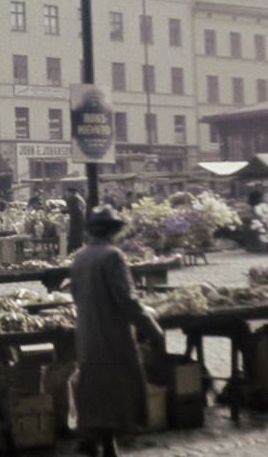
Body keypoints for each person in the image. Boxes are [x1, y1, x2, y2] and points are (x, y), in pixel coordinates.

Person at [70, 206, 165, 457]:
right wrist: (153, 329)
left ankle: (96, 439)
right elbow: (127, 299)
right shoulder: (113, 256)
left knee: (95, 387)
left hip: (88, 332)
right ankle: (104, 442)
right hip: (112, 334)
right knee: (117, 387)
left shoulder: (80, 255)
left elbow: (75, 294)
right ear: (113, 231)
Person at [65, 186, 87, 252]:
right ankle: (76, 248)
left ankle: (73, 249)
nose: (67, 195)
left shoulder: (74, 198)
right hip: (80, 219)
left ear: (71, 192)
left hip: (77, 219)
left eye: (68, 193)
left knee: (75, 236)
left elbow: (75, 209)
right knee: (78, 236)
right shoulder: (78, 197)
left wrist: (64, 211)